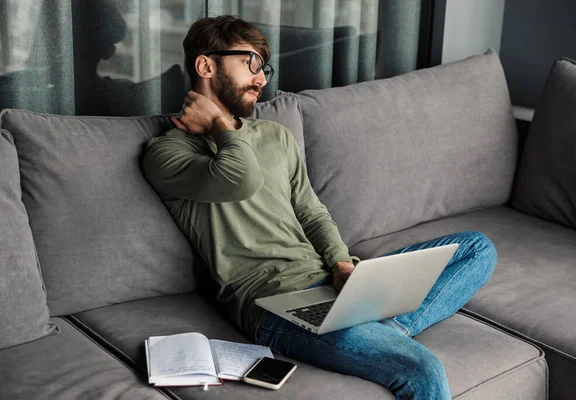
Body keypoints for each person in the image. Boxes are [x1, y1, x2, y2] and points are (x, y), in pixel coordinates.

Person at [142, 15, 498, 399]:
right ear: (206, 65)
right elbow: (241, 177)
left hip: (326, 282)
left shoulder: (275, 136)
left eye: (265, 67)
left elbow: (311, 211)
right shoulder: (165, 153)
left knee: (477, 248)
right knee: (422, 368)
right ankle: (380, 332)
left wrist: (342, 263)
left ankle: (381, 329)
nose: (262, 79)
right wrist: (218, 125)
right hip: (271, 303)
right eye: (251, 64)